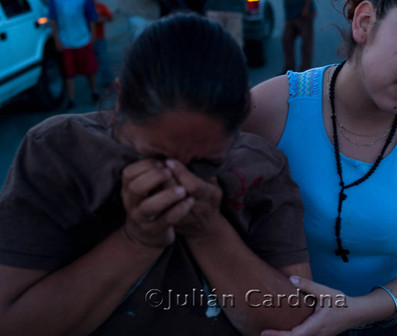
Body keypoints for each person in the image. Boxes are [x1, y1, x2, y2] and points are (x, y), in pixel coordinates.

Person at [0, 14, 313, 335]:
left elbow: (297, 323)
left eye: (204, 163)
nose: (178, 176)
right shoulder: (59, 152)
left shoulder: (260, 168)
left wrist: (209, 231)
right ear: (121, 101)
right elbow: (13, 323)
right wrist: (137, 240)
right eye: (153, 156)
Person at [244, 0, 397, 334]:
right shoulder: (272, 108)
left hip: (394, 322)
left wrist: (355, 311)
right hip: (280, 318)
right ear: (365, 21)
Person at [48, 0, 100, 110]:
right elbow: (52, 19)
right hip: (66, 41)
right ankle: (71, 99)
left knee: (90, 68)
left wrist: (93, 35)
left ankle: (94, 92)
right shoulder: (54, 1)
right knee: (68, 72)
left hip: (83, 38)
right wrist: (57, 40)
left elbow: (91, 16)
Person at [282, 0, 316, 73]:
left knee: (306, 43)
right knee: (287, 40)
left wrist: (306, 8)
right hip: (291, 14)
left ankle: (305, 71)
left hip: (303, 13)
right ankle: (289, 69)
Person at [93, 0, 114, 88]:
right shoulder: (85, 7)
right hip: (89, 39)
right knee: (94, 61)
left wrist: (102, 19)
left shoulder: (101, 6)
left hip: (100, 38)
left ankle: (107, 80)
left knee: (103, 59)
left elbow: (110, 17)